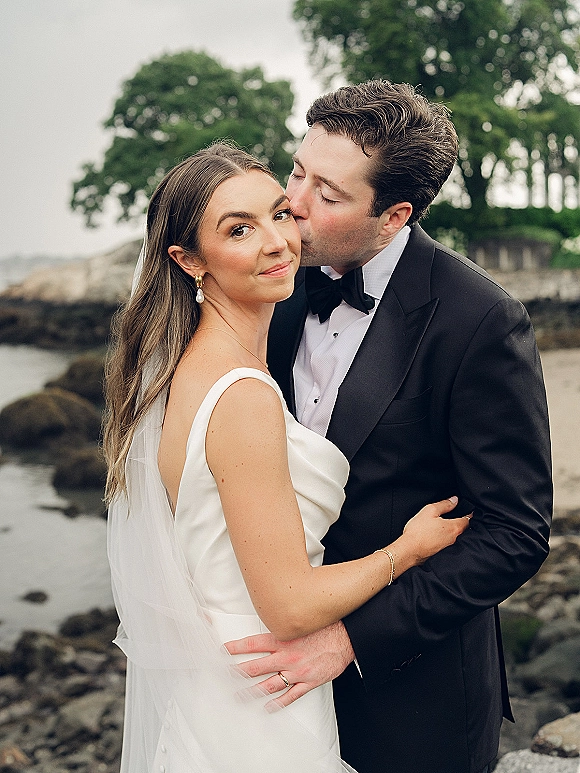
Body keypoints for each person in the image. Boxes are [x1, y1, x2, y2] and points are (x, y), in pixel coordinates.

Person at [104, 142, 469, 773]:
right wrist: (405, 550)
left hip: (216, 683)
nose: (277, 241)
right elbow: (290, 605)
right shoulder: (241, 395)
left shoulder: (183, 375)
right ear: (189, 261)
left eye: (280, 213)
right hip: (264, 694)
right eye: (239, 230)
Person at [225, 81, 553, 773]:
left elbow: (514, 532)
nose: (295, 203)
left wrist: (349, 638)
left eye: (330, 194)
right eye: (297, 172)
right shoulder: (272, 285)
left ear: (395, 213)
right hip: (273, 688)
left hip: (415, 699)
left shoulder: (481, 320)